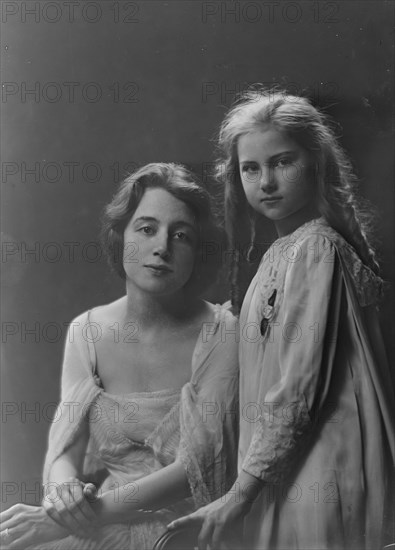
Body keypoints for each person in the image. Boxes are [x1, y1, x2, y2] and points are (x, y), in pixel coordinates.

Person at [168, 90, 395, 549]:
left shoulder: (316, 248)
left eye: (282, 162)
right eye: (251, 168)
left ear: (315, 162)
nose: (266, 181)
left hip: (324, 471)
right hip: (284, 474)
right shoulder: (282, 252)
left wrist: (238, 495)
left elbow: (297, 392)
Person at [0, 163, 239, 550]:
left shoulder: (223, 331)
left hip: (191, 531)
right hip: (99, 523)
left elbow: (195, 468)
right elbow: (65, 449)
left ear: (198, 252)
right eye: (146, 229)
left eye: (181, 236)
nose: (161, 247)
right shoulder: (87, 331)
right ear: (120, 236)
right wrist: (63, 501)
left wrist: (68, 519)